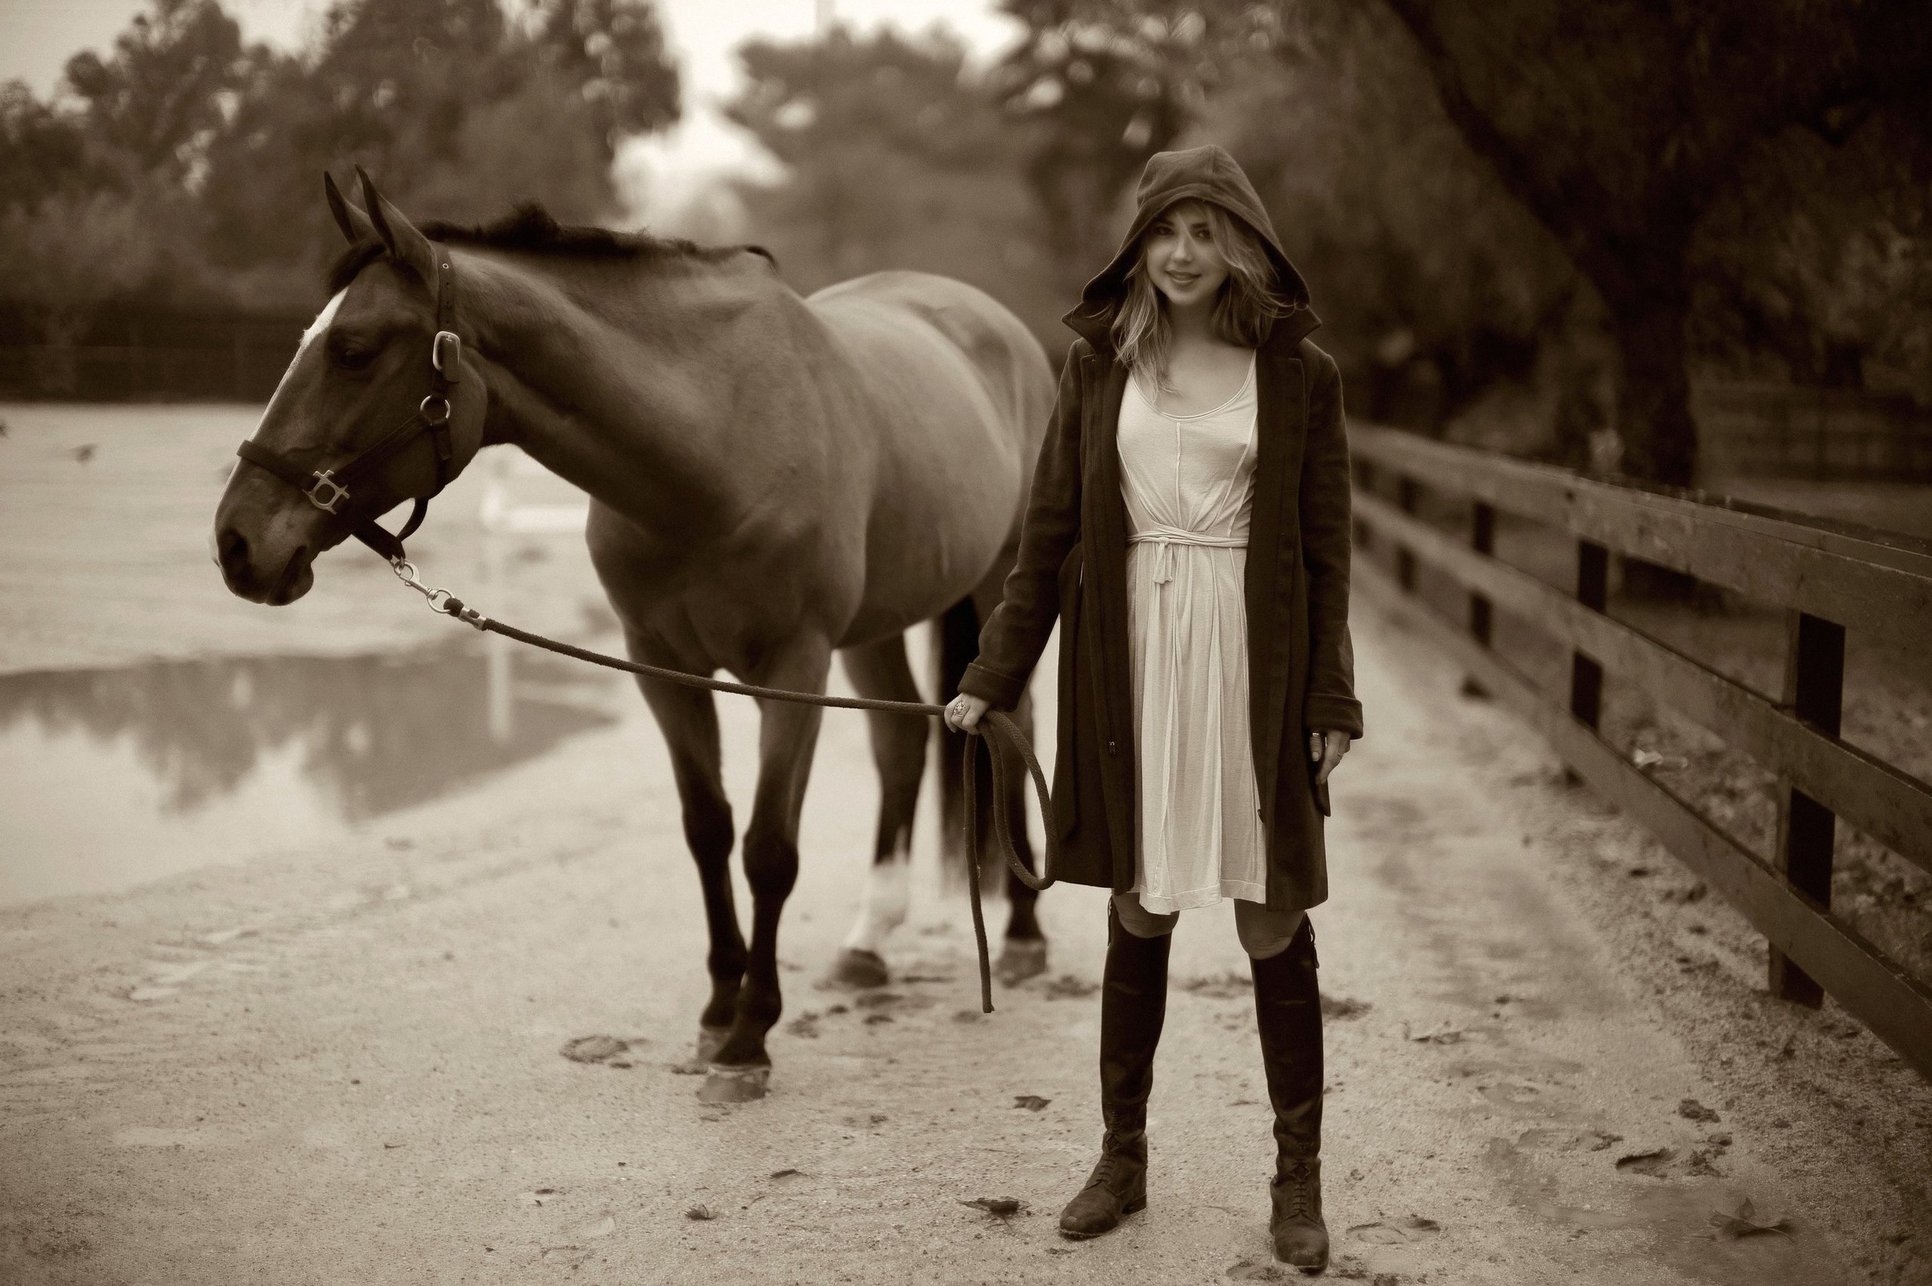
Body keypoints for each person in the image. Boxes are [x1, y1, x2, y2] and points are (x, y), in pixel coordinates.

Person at [944, 143, 1361, 1273]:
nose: (1182, 252)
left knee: (1269, 911)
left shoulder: (1300, 374)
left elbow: (1327, 551)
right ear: (1139, 243)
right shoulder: (1097, 368)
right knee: (1140, 902)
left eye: (1205, 228)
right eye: (1165, 230)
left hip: (1251, 656)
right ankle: (1121, 1157)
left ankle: (1298, 1178)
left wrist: (1332, 694)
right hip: (1131, 660)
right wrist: (991, 674)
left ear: (1241, 240)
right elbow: (1045, 542)